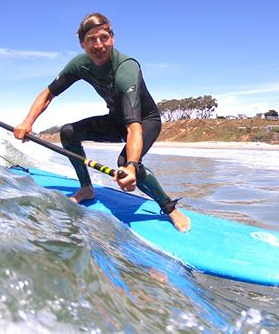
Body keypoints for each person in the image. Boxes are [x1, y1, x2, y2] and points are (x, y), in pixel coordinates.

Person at [13, 12, 190, 232]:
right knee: (68, 132)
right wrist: (27, 123)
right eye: (91, 40)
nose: (99, 45)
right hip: (115, 120)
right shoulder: (80, 65)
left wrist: (132, 168)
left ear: (112, 38)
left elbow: (134, 126)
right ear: (82, 44)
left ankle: (169, 208)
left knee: (125, 164)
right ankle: (86, 189)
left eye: (104, 37)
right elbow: (48, 93)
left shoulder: (126, 68)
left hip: (145, 121)